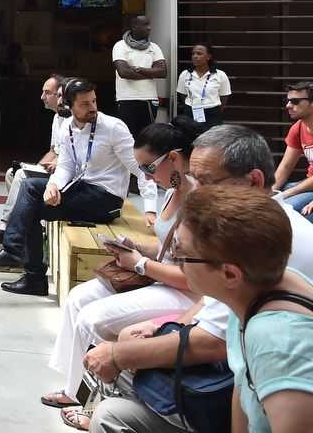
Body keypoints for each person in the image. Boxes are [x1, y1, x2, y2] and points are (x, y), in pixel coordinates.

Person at [81, 124, 313, 433]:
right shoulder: (249, 256)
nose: (196, 191)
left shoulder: (276, 339)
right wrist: (164, 326)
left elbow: (214, 344)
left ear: (254, 181)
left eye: (183, 254)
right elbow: (240, 378)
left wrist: (118, 354)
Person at [43, 121, 200, 426]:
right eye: (141, 169)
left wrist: (139, 264)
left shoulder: (198, 201)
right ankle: (74, 389)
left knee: (93, 318)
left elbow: (194, 278)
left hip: (184, 293)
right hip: (161, 278)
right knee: (78, 298)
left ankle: (94, 402)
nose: (147, 177)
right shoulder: (172, 190)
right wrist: (135, 247)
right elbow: (167, 247)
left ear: (173, 157)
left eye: (149, 167)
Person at [0, 78, 158, 296]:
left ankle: (20, 258)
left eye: (94, 101)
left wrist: (150, 209)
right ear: (70, 106)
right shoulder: (67, 128)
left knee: (30, 202)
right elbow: (65, 167)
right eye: (84, 104)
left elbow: (141, 169)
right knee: (31, 192)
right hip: (81, 188)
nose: (92, 107)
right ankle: (28, 272)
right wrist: (53, 186)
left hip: (107, 199)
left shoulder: (113, 128)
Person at [181, 186, 313, 433]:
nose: (177, 261)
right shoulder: (255, 290)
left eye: (183, 253)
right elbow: (243, 383)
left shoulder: (277, 345)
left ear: (230, 274)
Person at [0, 73, 68, 249]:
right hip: (54, 168)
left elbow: (69, 156)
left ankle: (4, 229)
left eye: (47, 92)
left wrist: (43, 168)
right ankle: (25, 226)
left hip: (63, 174)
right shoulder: (57, 118)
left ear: (61, 95)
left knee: (22, 176)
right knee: (12, 173)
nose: (42, 97)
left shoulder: (71, 120)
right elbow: (53, 150)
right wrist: (36, 168)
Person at [112, 14, 167, 140]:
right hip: (126, 99)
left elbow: (162, 72)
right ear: (134, 26)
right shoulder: (120, 46)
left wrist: (140, 69)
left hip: (149, 99)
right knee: (128, 137)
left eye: (149, 24)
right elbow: (123, 72)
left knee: (146, 137)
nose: (149, 28)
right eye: (146, 24)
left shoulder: (154, 47)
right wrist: (151, 72)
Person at [273, 82, 313, 219]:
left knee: (285, 211)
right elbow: (286, 166)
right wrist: (270, 192)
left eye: (295, 101)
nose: (288, 105)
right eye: (287, 100)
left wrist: (285, 194)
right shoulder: (298, 128)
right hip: (308, 184)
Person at [175, 43, 230, 128]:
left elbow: (224, 96)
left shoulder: (220, 75)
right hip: (190, 112)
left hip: (212, 114)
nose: (195, 56)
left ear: (208, 57)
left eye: (199, 53)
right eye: (193, 54)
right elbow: (183, 95)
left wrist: (212, 109)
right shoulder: (185, 74)